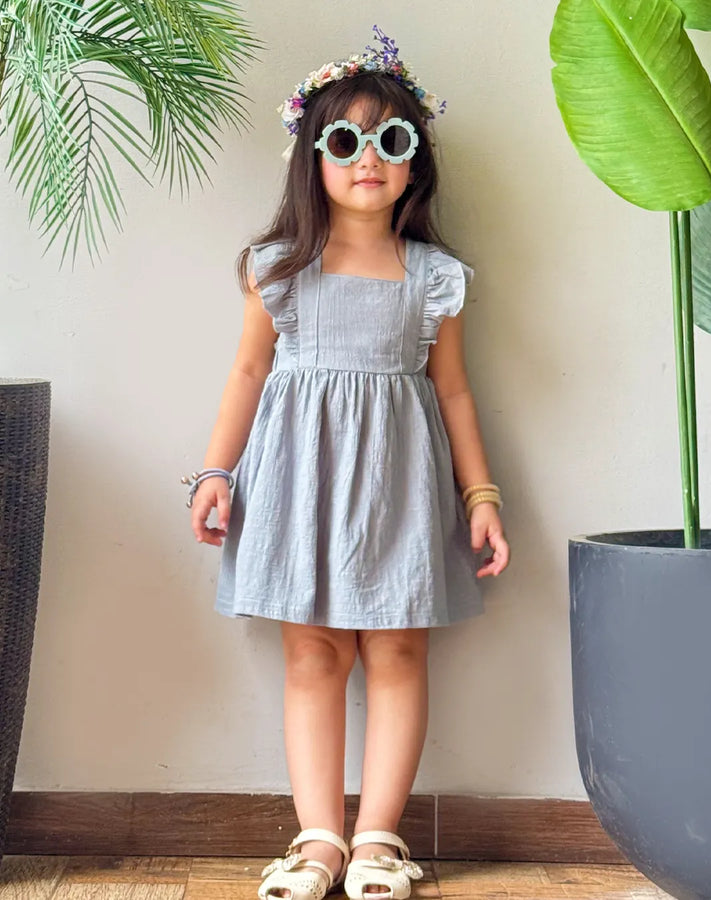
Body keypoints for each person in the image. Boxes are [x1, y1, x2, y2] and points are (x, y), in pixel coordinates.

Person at [182, 25, 510, 900]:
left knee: (398, 650)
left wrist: (480, 494)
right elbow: (247, 374)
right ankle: (318, 839)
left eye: (391, 140)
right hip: (301, 485)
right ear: (313, 157)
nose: (369, 158)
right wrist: (214, 473)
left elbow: (454, 392)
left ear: (414, 163)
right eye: (346, 140)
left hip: (400, 487)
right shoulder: (278, 271)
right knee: (314, 656)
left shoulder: (434, 277)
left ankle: (377, 842)